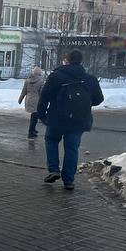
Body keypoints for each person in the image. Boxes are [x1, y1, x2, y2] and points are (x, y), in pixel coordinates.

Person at [36, 50, 105, 191]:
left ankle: (54, 169)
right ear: (81, 61)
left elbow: (44, 97)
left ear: (66, 61)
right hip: (79, 120)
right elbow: (99, 99)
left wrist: (42, 115)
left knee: (51, 140)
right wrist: (83, 103)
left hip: (57, 118)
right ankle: (69, 180)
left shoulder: (56, 76)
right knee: (72, 148)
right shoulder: (90, 79)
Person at [18, 66, 45, 139]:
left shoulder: (27, 80)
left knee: (34, 116)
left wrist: (20, 100)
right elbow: (41, 92)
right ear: (39, 73)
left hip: (29, 99)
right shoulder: (41, 81)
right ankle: (31, 132)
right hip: (36, 100)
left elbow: (24, 91)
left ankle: (33, 130)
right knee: (34, 117)